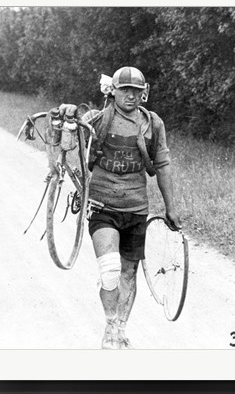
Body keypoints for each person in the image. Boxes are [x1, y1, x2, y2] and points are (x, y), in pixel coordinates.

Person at [57, 67, 180, 349]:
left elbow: (162, 164)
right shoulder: (97, 119)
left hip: (137, 209)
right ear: (113, 90)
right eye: (124, 90)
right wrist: (68, 119)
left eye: (136, 91)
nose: (130, 96)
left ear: (144, 93)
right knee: (111, 269)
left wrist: (171, 207)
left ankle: (121, 328)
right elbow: (67, 143)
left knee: (128, 272)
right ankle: (110, 325)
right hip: (103, 206)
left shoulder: (153, 124)